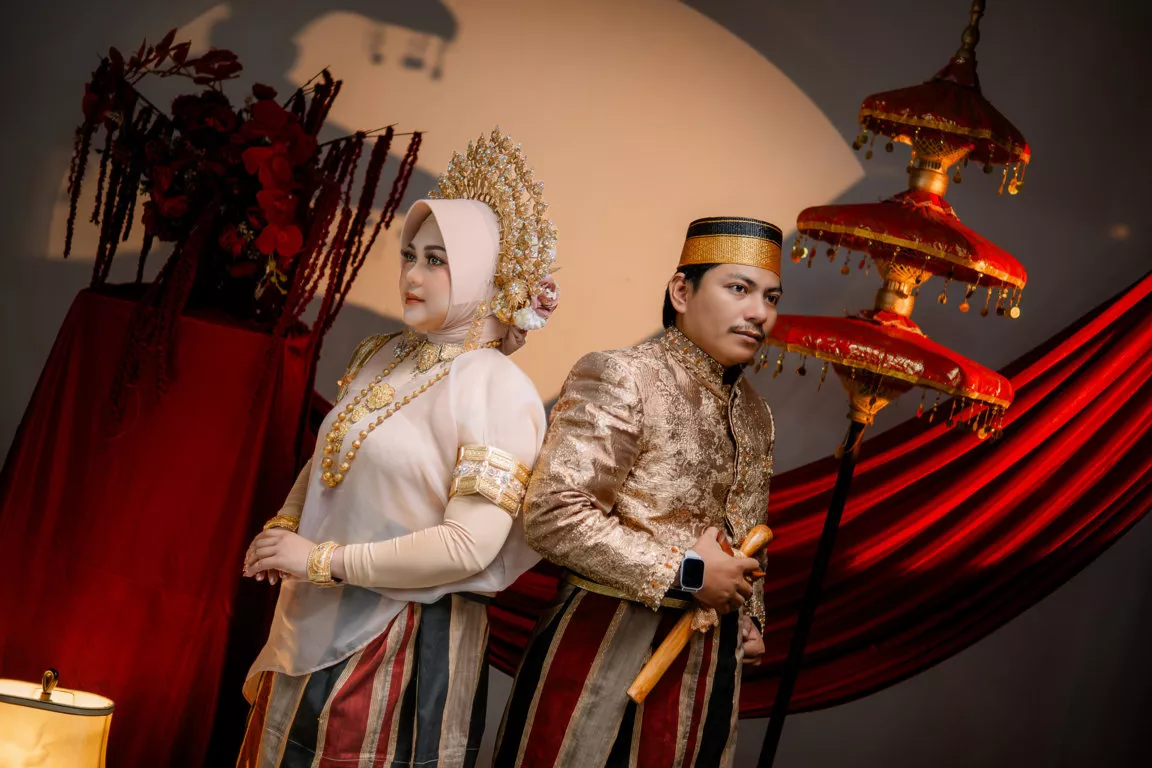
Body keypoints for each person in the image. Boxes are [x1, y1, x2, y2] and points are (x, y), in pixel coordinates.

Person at [237, 128, 559, 768]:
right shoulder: (386, 355)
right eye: (409, 255)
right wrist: (284, 528)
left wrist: (320, 559)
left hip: (402, 644)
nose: (411, 274)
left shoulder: (495, 387)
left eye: (437, 260)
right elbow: (334, 453)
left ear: (488, 273)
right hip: (313, 614)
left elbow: (468, 545)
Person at [494, 216, 781, 768]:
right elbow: (553, 514)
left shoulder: (754, 412)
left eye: (771, 297)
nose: (759, 312)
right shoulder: (622, 374)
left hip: (706, 664)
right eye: (739, 288)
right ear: (681, 292)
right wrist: (690, 573)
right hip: (602, 648)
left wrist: (748, 616)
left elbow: (746, 532)